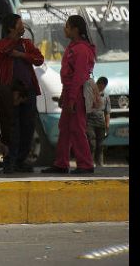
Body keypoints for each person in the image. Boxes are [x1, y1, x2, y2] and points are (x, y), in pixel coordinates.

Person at [42, 15, 96, 174]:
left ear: (75, 29)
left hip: (77, 94)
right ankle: (61, 163)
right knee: (65, 128)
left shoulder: (80, 49)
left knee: (77, 129)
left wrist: (71, 99)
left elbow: (79, 76)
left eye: (67, 27)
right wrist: (65, 97)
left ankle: (85, 164)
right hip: (71, 92)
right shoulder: (74, 46)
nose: (65, 29)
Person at [0, 14, 44, 174]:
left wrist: (21, 55)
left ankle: (21, 160)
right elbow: (2, 52)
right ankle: (10, 161)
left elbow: (39, 59)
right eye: (20, 24)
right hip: (9, 92)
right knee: (11, 128)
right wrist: (15, 43)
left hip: (27, 90)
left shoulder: (26, 44)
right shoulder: (1, 44)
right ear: (11, 27)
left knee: (28, 127)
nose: (23, 27)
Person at [86, 76, 110, 167]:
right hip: (90, 122)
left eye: (104, 85)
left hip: (101, 123)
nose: (101, 87)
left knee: (100, 145)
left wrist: (107, 125)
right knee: (92, 144)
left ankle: (100, 164)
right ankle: (89, 163)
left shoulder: (106, 96)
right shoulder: (90, 93)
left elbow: (107, 112)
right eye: (100, 84)